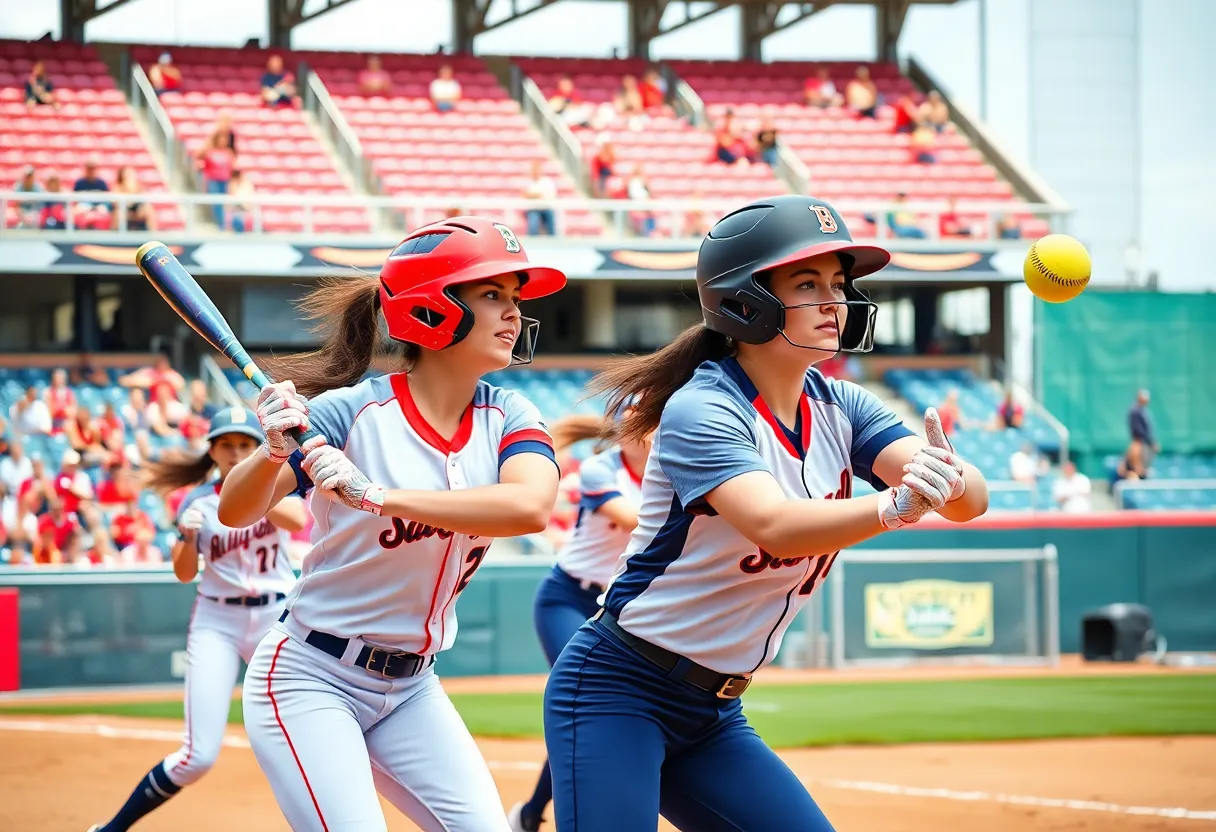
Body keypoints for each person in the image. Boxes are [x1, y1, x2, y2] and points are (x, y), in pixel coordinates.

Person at [542, 195, 989, 831]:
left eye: (838, 283)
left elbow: (972, 502)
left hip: (716, 711)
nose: (834, 300)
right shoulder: (704, 408)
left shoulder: (843, 405)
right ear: (744, 300)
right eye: (807, 283)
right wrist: (893, 506)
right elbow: (773, 526)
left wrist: (948, 475)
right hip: (619, 688)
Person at [217, 217, 566, 831]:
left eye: (514, 298)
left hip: (412, 688)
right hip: (311, 675)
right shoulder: (350, 413)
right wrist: (271, 450)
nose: (513, 313)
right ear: (432, 310)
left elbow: (529, 507)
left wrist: (380, 496)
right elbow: (235, 511)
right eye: (492, 295)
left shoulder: (509, 412)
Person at [87, 407, 307, 832]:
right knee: (197, 756)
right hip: (217, 621)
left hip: (273, 619)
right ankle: (112, 829)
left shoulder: (273, 485)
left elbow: (299, 520)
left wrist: (252, 494)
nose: (236, 452)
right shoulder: (196, 502)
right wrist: (188, 538)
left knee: (297, 737)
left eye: (245, 443)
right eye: (228, 445)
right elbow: (184, 572)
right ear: (213, 450)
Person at [509, 406, 652, 832]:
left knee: (606, 713)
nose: (634, 428)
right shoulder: (599, 468)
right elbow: (634, 521)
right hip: (568, 597)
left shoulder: (671, 469)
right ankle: (539, 815)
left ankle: (531, 814)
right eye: (629, 419)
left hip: (621, 609)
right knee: (589, 700)